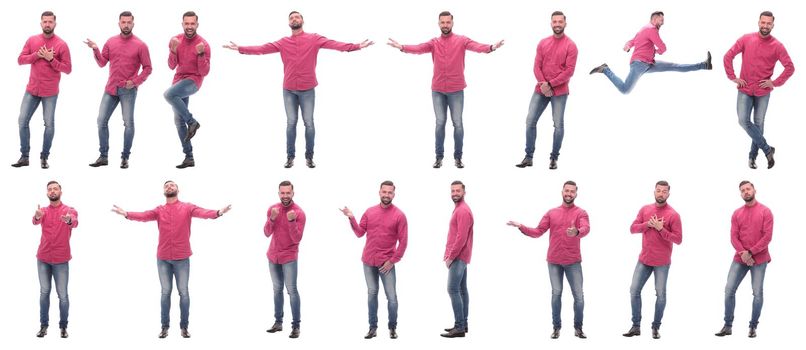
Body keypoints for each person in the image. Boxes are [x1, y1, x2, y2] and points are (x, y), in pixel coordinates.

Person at [223, 11, 373, 168]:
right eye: (291, 18)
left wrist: (357, 46)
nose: (294, 19)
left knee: (309, 123)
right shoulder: (283, 42)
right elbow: (262, 49)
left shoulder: (314, 38)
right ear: (289, 23)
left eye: (297, 17)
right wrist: (240, 48)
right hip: (289, 90)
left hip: (307, 89)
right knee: (291, 123)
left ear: (303, 20)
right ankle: (290, 157)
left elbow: (336, 45)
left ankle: (309, 157)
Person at [111, 181, 231, 338]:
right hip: (163, 259)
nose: (169, 187)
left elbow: (203, 212)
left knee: (184, 293)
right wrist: (127, 213)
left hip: (182, 258)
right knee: (165, 293)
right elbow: (144, 215)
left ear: (178, 189)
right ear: (163, 192)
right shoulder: (159, 210)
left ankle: (184, 327)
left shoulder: (187, 207)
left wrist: (218, 212)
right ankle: (164, 327)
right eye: (166, 186)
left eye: (172, 185)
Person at [388, 11, 504, 168]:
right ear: (438, 24)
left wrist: (491, 47)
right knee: (440, 123)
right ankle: (439, 157)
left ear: (452, 23)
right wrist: (402, 47)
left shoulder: (461, 40)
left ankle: (458, 157)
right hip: (437, 90)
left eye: (448, 22)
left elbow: (477, 46)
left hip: (456, 90)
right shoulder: (434, 42)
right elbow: (419, 48)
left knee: (458, 124)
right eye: (442, 22)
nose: (445, 25)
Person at [507, 180, 590, 339]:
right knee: (556, 293)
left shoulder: (581, 213)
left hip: (573, 261)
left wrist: (577, 232)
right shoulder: (552, 212)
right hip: (554, 262)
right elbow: (538, 231)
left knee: (578, 296)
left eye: (572, 191)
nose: (569, 194)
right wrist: (521, 226)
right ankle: (556, 328)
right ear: (562, 192)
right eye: (567, 190)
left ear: (576, 194)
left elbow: (586, 228)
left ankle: (578, 328)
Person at [723, 11, 794, 169]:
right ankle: (768, 150)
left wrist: (774, 82)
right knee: (743, 121)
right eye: (763, 22)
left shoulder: (777, 46)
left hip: (763, 92)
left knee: (759, 123)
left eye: (769, 23)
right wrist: (732, 76)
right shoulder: (746, 39)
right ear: (758, 22)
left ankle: (752, 157)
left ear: (773, 25)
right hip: (745, 89)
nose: (765, 26)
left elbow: (790, 68)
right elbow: (728, 56)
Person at [339, 180, 408, 339]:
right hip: (368, 261)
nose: (386, 195)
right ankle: (372, 327)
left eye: (390, 192)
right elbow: (359, 233)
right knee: (372, 294)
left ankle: (392, 327)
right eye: (384, 192)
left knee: (391, 297)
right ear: (379, 192)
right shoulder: (369, 212)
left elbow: (403, 242)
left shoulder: (399, 215)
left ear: (394, 194)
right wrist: (351, 217)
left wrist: (392, 261)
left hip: (387, 264)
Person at [85, 11, 152, 169]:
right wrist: (95, 48)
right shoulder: (111, 41)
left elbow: (148, 68)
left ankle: (125, 157)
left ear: (133, 24)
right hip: (111, 89)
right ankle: (103, 156)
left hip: (128, 90)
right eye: (123, 22)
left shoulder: (141, 45)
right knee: (101, 120)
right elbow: (102, 63)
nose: (126, 25)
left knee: (128, 123)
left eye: (129, 22)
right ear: (119, 23)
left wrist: (135, 82)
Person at [589, 11, 711, 94]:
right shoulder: (651, 29)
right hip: (640, 64)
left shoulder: (644, 29)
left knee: (675, 66)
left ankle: (705, 65)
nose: (662, 22)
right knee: (625, 90)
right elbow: (663, 47)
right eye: (660, 19)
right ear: (653, 19)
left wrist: (627, 45)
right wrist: (658, 50)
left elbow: (633, 40)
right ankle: (605, 69)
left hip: (648, 63)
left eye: (663, 20)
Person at [515, 11, 577, 170]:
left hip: (560, 91)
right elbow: (537, 66)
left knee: (558, 125)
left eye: (560, 22)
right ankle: (528, 157)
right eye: (554, 21)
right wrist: (543, 84)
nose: (557, 24)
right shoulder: (543, 43)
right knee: (530, 122)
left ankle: (554, 158)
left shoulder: (571, 45)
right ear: (551, 23)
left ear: (565, 23)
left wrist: (550, 84)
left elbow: (569, 72)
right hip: (541, 89)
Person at [622, 180, 682, 339]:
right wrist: (648, 224)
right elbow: (632, 228)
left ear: (669, 194)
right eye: (658, 190)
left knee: (661, 294)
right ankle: (636, 326)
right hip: (644, 260)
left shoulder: (673, 215)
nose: (661, 193)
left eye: (664, 191)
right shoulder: (645, 209)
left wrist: (661, 229)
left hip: (662, 262)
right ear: (654, 192)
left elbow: (678, 239)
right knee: (634, 290)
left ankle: (655, 327)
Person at [12, 11, 72, 169]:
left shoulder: (61, 44)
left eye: (50, 22)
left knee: (49, 124)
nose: (47, 24)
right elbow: (20, 60)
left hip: (50, 92)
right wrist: (37, 55)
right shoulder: (32, 40)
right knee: (22, 121)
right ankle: (24, 157)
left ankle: (44, 157)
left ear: (55, 24)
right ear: (41, 23)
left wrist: (51, 59)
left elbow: (68, 69)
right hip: (32, 89)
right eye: (45, 21)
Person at [715, 181, 773, 338]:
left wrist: (751, 252)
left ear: (755, 190)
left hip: (759, 259)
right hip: (740, 258)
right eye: (742, 190)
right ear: (740, 194)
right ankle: (727, 326)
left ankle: (753, 327)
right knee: (729, 290)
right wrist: (743, 253)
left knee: (757, 293)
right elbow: (733, 236)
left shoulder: (765, 211)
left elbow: (767, 237)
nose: (746, 192)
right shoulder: (736, 213)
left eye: (748, 189)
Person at [32, 180, 78, 338]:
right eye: (49, 189)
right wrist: (37, 217)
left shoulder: (69, 210)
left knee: (63, 295)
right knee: (44, 292)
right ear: (47, 193)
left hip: (61, 260)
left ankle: (63, 327)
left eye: (55, 189)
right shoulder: (43, 210)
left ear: (61, 191)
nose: (52, 191)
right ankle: (43, 326)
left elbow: (74, 221)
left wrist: (69, 220)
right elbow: (35, 221)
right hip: (43, 258)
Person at [165, 11, 210, 169]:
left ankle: (192, 122)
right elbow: (171, 66)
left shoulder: (203, 44)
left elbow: (204, 72)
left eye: (192, 24)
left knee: (168, 94)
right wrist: (173, 50)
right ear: (182, 24)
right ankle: (189, 157)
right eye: (187, 23)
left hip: (193, 81)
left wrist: (201, 54)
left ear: (197, 25)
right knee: (178, 121)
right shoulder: (176, 40)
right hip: (178, 80)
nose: (189, 26)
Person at [263, 180, 306, 338]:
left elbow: (297, 239)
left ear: (293, 193)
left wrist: (292, 221)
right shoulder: (272, 209)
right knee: (277, 290)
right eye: (283, 193)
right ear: (279, 193)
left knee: (292, 291)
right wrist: (272, 219)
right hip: (273, 256)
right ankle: (278, 322)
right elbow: (266, 233)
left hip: (289, 257)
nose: (285, 196)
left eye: (288, 193)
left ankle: (296, 326)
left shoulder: (299, 213)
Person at [440, 181, 474, 338]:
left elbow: (461, 238)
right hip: (460, 256)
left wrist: (450, 257)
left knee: (452, 289)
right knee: (461, 290)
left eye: (458, 190)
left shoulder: (463, 211)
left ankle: (459, 326)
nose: (455, 193)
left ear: (464, 192)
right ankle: (463, 324)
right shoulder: (459, 209)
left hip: (459, 256)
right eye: (452, 190)